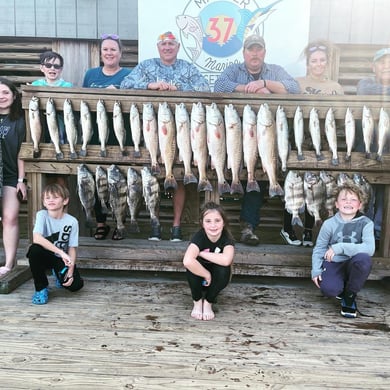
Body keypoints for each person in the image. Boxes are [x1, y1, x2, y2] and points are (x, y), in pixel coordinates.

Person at [120, 31, 210, 241]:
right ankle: (155, 224)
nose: (167, 47)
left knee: (178, 177)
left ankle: (176, 227)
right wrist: (150, 86)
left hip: (182, 133)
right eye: (163, 44)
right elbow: (126, 84)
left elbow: (204, 86)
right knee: (152, 178)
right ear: (158, 47)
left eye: (171, 44)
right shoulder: (146, 66)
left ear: (178, 47)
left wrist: (178, 88)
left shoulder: (187, 68)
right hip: (150, 132)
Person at [214, 34, 300, 246]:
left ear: (264, 52)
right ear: (244, 53)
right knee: (242, 176)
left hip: (268, 138)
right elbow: (219, 85)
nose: (254, 53)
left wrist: (265, 84)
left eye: (258, 49)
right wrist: (248, 89)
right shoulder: (234, 70)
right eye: (250, 50)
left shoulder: (275, 71)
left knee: (265, 177)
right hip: (236, 139)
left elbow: (294, 88)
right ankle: (228, 228)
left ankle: (253, 227)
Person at [282, 40, 345, 247]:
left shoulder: (336, 87)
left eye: (322, 61)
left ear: (327, 63)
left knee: (315, 186)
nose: (318, 64)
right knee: (294, 183)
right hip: (301, 140)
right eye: (314, 61)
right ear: (308, 63)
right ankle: (288, 227)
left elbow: (341, 116)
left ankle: (308, 231)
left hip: (325, 141)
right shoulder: (297, 82)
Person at [82, 33, 132, 240]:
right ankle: (101, 222)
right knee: (96, 178)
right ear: (100, 53)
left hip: (122, 134)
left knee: (122, 180)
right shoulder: (91, 74)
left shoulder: (130, 74)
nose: (109, 53)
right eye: (105, 49)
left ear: (120, 53)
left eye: (113, 49)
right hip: (95, 134)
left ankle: (121, 223)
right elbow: (82, 102)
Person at [311, 183, 374, 318]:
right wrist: (315, 270)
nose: (348, 203)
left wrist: (339, 247)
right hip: (334, 263)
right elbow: (320, 248)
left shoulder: (366, 223)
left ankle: (349, 295)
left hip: (354, 263)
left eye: (353, 200)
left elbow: (370, 248)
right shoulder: (329, 224)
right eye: (344, 199)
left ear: (360, 204)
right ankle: (340, 287)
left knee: (364, 259)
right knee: (329, 289)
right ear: (336, 204)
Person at [355, 47, 390, 249]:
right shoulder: (365, 83)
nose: (386, 66)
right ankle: (364, 237)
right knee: (365, 195)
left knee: (385, 199)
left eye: (389, 62)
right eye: (381, 62)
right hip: (365, 152)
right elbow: (365, 92)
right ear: (373, 67)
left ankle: (378, 236)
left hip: (388, 153)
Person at [26, 183, 84, 304]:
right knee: (34, 250)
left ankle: (58, 274)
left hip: (61, 260)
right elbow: (37, 238)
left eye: (55, 197)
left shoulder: (72, 221)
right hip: (45, 256)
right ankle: (41, 288)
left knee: (76, 286)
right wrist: (61, 252)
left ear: (65, 200)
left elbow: (72, 248)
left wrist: (71, 268)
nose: (51, 200)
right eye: (47, 198)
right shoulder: (42, 215)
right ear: (43, 202)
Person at [183, 201, 235, 321]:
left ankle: (208, 302)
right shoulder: (199, 237)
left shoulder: (226, 237)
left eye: (217, 221)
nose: (213, 225)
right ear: (202, 223)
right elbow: (187, 261)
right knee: (192, 265)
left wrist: (202, 253)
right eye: (208, 221)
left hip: (216, 279)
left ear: (224, 223)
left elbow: (226, 259)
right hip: (200, 278)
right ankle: (197, 301)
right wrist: (206, 275)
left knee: (223, 268)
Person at [32, 50, 73, 186]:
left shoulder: (67, 86)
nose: (52, 69)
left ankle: (63, 203)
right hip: (42, 131)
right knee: (47, 175)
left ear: (61, 69)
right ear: (41, 68)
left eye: (56, 66)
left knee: (61, 175)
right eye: (48, 65)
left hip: (61, 132)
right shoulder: (36, 85)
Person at [0, 77, 27, 277]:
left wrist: (21, 180)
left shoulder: (20, 120)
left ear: (14, 95)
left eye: (5, 93)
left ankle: (9, 264)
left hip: (10, 176)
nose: (1, 97)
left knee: (10, 217)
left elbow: (22, 152)